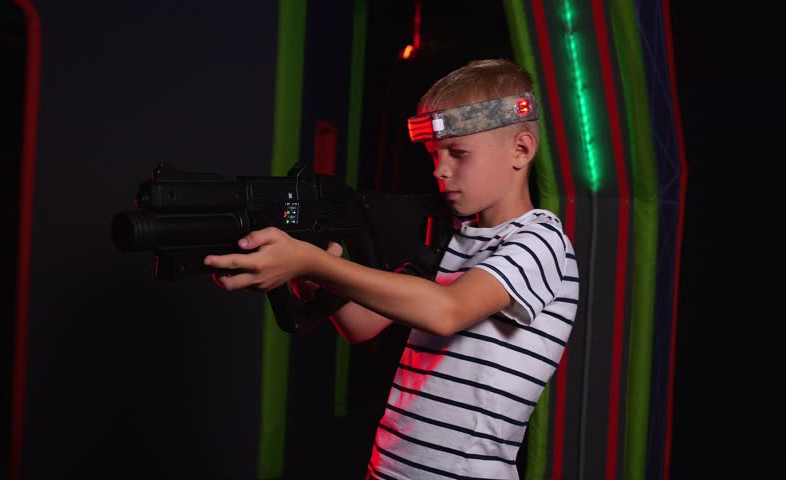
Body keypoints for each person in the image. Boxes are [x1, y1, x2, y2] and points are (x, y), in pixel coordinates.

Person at [205, 58, 579, 480]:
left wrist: (314, 260)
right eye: (434, 154)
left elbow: (446, 311)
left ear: (521, 149)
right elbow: (361, 325)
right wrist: (309, 272)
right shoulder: (451, 240)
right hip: (388, 468)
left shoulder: (541, 241)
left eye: (458, 153)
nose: (440, 169)